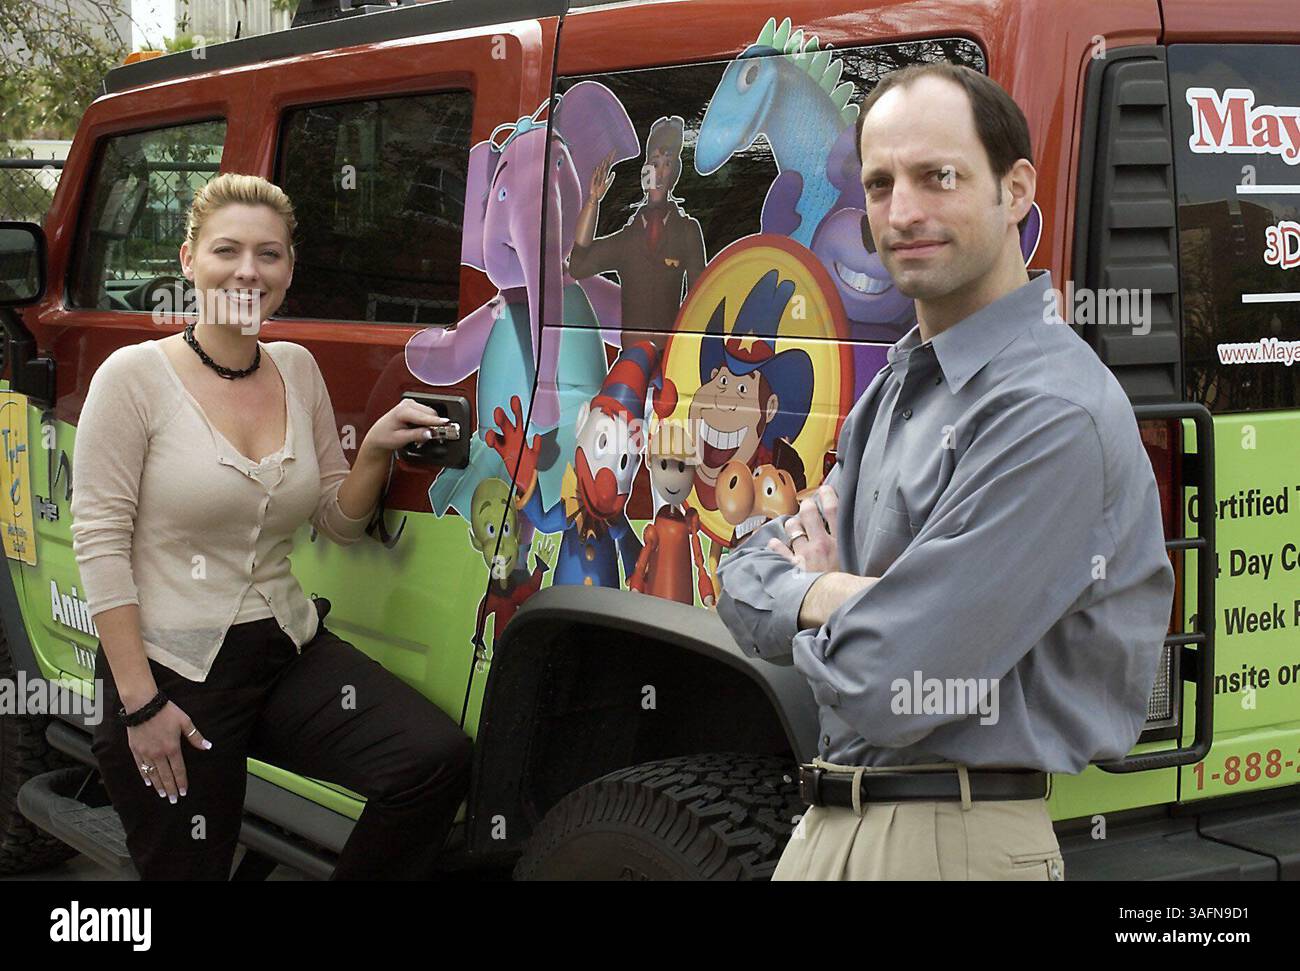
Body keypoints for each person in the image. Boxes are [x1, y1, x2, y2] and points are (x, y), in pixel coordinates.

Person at [716, 64, 1175, 881]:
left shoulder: (1049, 413)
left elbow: (893, 681)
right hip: (830, 827)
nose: (903, 213)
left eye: (939, 177)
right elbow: (738, 574)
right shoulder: (899, 385)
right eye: (882, 183)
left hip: (953, 843)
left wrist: (823, 616)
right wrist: (831, 595)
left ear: (1016, 189)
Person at [72, 173, 472, 880]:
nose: (248, 270)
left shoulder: (296, 368)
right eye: (228, 250)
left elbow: (335, 521)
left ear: (289, 269)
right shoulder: (130, 378)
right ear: (189, 259)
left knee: (430, 761)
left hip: (283, 647)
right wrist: (141, 706)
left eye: (270, 254)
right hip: (169, 669)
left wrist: (374, 448)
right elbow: (100, 543)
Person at [568, 115, 707, 355]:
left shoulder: (687, 231)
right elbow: (578, 266)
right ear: (645, 171)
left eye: (668, 164)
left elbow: (699, 301)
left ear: (675, 173)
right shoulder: (627, 241)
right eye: (655, 163)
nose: (660, 173)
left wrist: (685, 353)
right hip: (632, 361)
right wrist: (593, 201)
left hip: (671, 359)